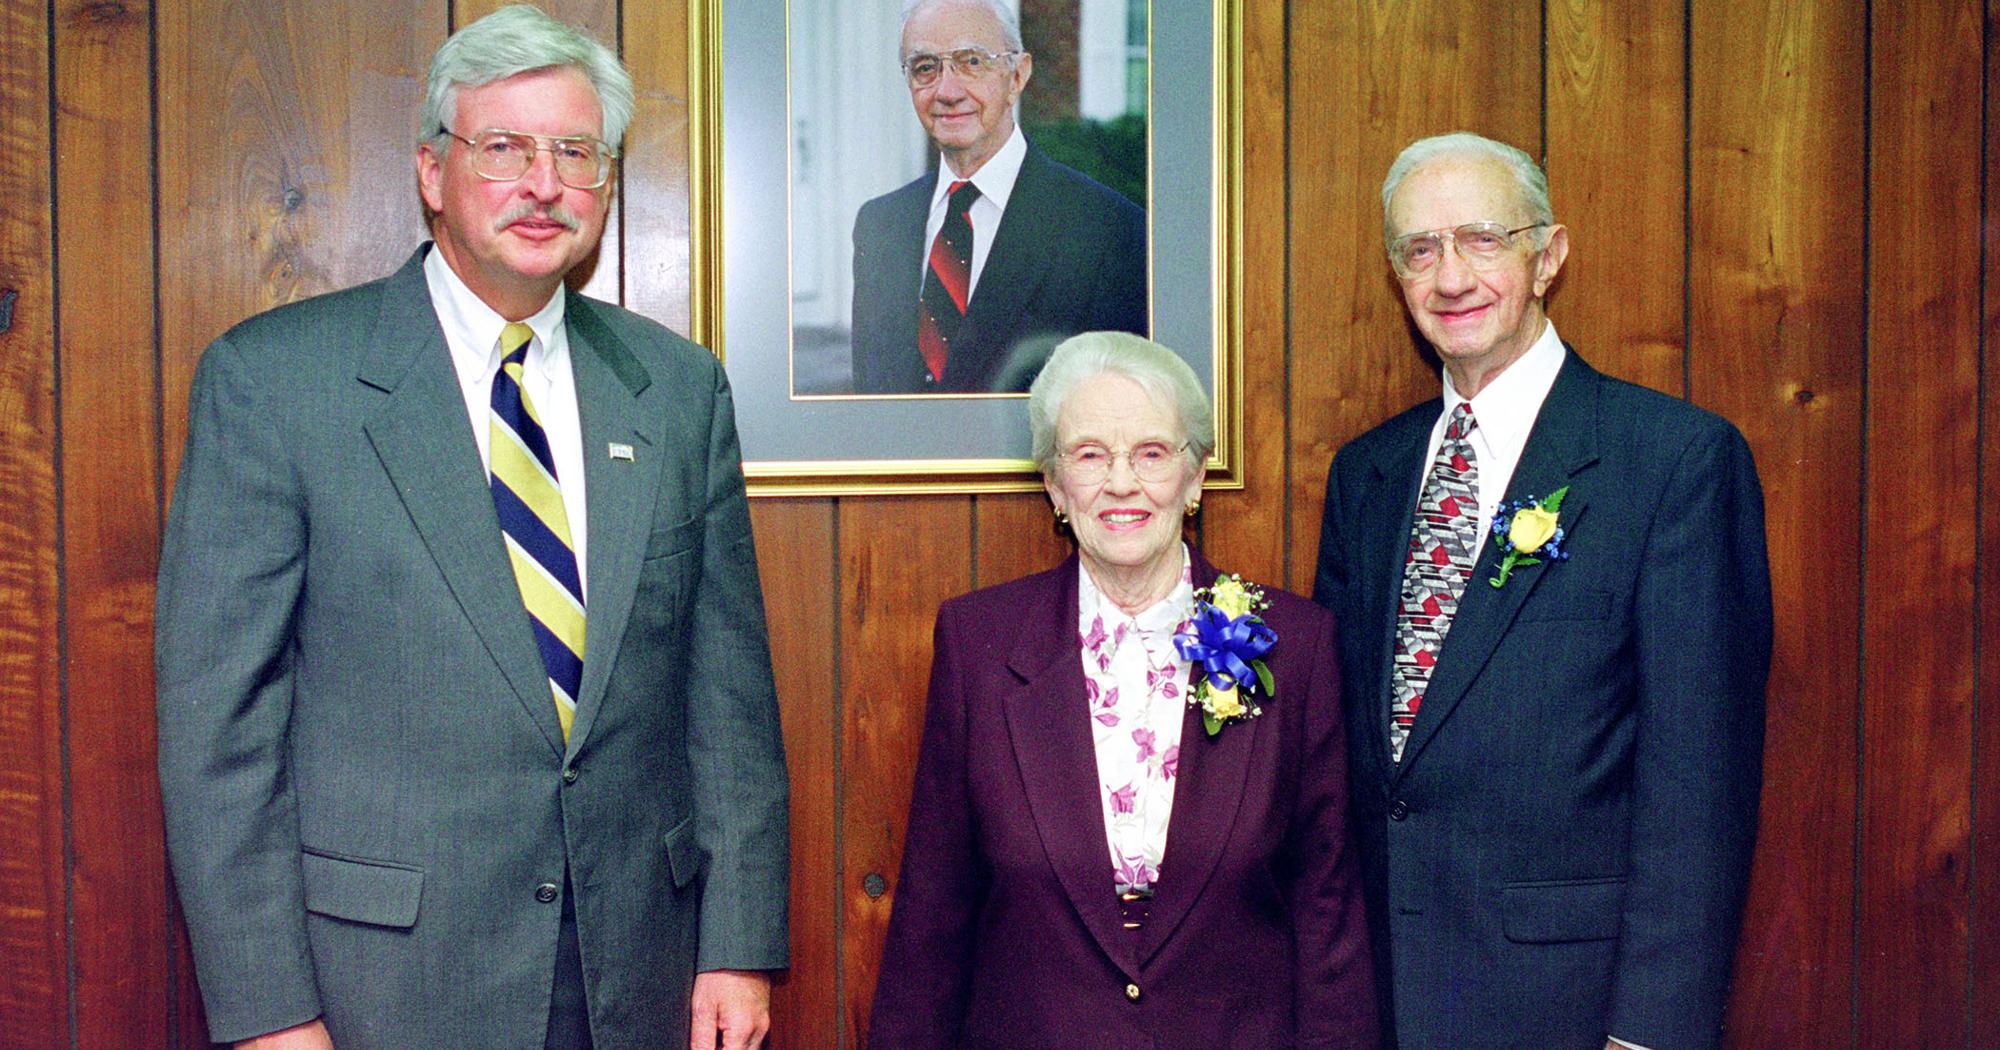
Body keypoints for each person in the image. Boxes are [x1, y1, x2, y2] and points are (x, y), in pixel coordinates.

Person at [154, 7, 789, 1049]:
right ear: (431, 171)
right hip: (383, 984)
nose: (543, 184)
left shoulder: (677, 392)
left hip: (640, 974)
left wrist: (736, 946)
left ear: (606, 183)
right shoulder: (275, 383)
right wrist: (270, 1012)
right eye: (503, 147)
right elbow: (218, 733)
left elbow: (728, 702)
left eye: (575, 152)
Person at [1312, 132, 1771, 1050]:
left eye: (1482, 238)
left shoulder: (1673, 462)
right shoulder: (1366, 475)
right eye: (1420, 249)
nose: (1451, 277)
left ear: (1548, 254)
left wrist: (1653, 1032)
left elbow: (1700, 789)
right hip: (1384, 1001)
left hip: (1575, 1008)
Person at [868, 332, 1376, 1048]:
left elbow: (1328, 916)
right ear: (1054, 485)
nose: (1121, 483)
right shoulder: (978, 645)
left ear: (1195, 475)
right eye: (1089, 455)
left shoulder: (1295, 648)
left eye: (1151, 453)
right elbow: (932, 918)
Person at [848, 0, 1147, 395]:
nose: (947, 91)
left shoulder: (1108, 229)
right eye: (925, 67)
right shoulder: (880, 224)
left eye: (972, 62)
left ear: (1018, 75)